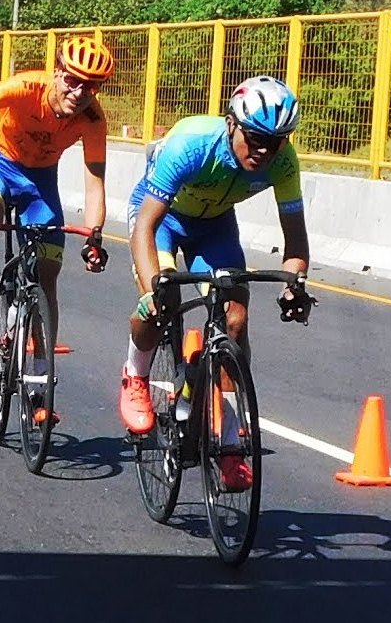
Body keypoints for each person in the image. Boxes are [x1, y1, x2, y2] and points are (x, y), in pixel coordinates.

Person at [120, 75, 316, 490]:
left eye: (277, 140)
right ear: (231, 124)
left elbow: (295, 240)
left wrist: (294, 284)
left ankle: (228, 442)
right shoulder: (191, 143)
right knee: (162, 299)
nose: (264, 149)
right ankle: (135, 374)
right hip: (161, 221)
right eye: (255, 137)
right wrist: (151, 287)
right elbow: (144, 227)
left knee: (235, 321)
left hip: (215, 228)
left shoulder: (284, 162)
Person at [0, 36, 113, 352]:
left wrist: (94, 237)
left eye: (90, 88)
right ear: (58, 72)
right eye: (73, 81)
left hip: (40, 181)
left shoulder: (92, 120)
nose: (79, 94)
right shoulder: (25, 88)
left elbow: (95, 185)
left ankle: (39, 384)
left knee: (47, 274)